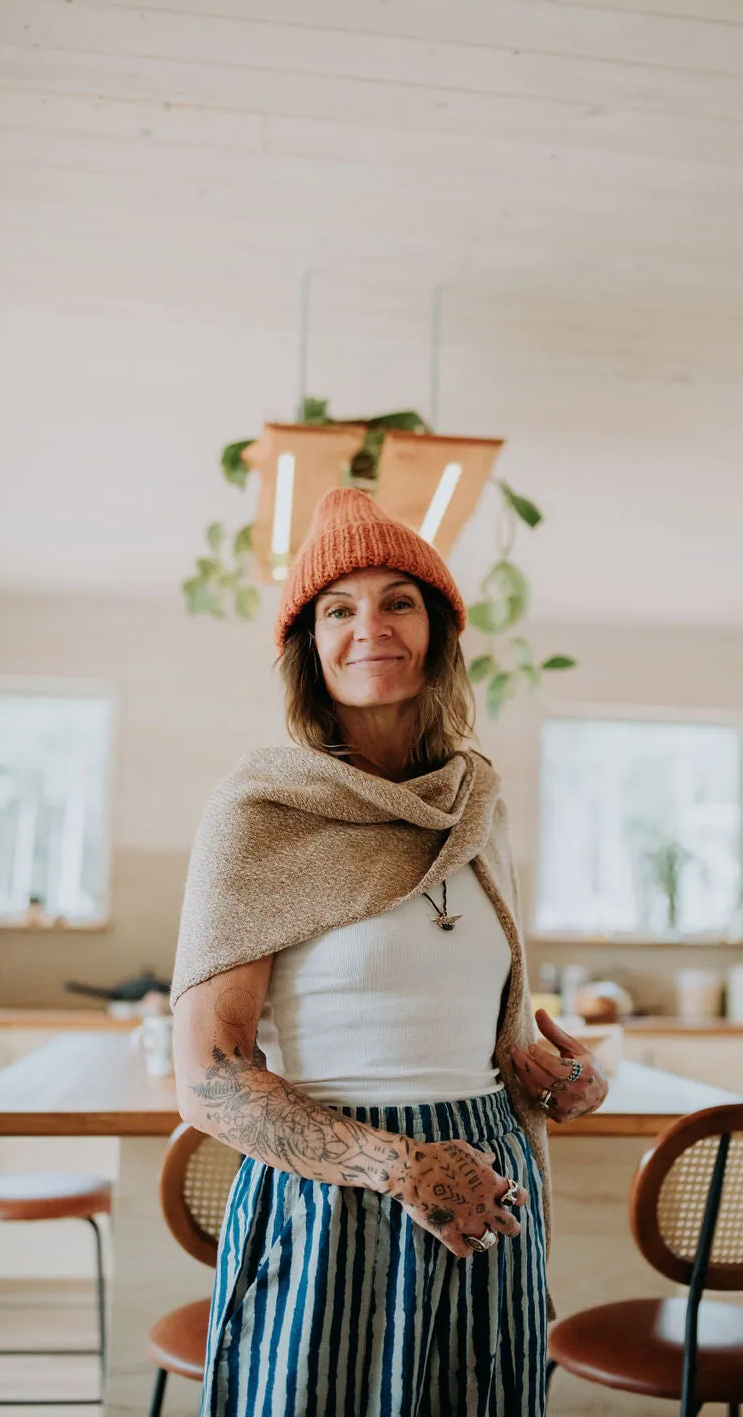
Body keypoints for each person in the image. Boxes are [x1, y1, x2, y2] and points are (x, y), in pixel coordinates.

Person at [171, 486, 608, 1417]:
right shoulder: (258, 813)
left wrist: (546, 1076)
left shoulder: (476, 805)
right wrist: (401, 1169)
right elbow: (208, 1079)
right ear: (310, 648)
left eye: (398, 600)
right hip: (333, 1201)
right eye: (339, 608)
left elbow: (476, 1025)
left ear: (440, 631)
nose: (371, 625)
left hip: (490, 1186)